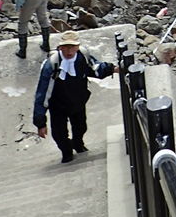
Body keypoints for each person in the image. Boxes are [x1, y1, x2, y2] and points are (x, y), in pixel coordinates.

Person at [31, 30, 117, 164]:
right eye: (66, 47)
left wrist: (112, 69)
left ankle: (78, 143)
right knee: (59, 135)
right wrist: (40, 122)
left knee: (81, 127)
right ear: (60, 47)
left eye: (72, 47)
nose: (69, 51)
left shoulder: (82, 56)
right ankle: (66, 151)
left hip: (77, 101)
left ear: (77, 47)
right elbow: (42, 93)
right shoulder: (51, 65)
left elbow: (95, 68)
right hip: (58, 106)